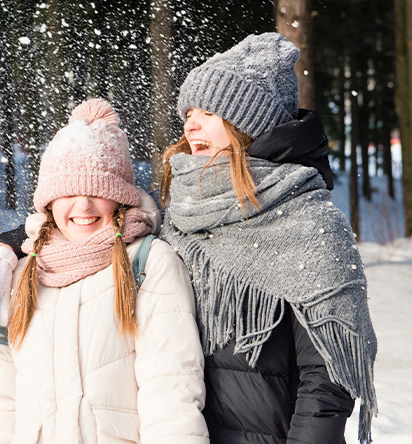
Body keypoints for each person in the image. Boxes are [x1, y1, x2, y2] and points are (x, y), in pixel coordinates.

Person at [0, 98, 210, 444]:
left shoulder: (148, 262)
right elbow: (0, 403)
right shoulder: (22, 271)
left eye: (98, 191)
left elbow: (171, 386)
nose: (83, 205)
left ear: (120, 197)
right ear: (49, 202)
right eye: (68, 192)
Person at [159, 32, 377, 444]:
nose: (190, 123)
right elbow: (95, 225)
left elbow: (328, 378)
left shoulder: (308, 222)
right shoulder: (180, 213)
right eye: (188, 111)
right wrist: (25, 238)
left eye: (207, 111)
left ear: (246, 122)